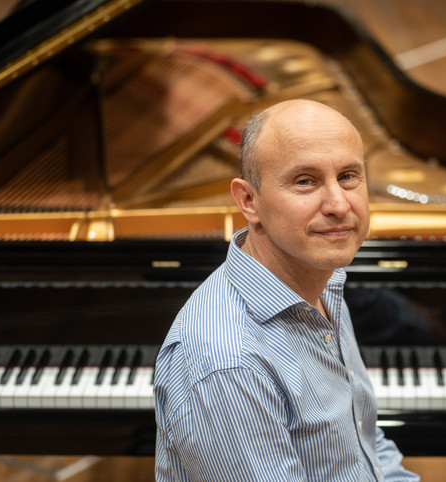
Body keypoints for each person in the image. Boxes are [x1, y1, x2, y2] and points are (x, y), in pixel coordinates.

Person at [154, 99, 420, 481]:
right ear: (249, 201)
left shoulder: (322, 282)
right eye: (305, 181)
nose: (338, 204)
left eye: (348, 176)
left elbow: (365, 443)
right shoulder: (229, 364)